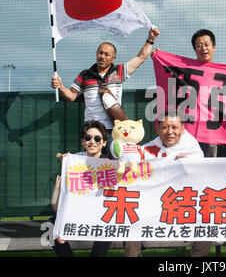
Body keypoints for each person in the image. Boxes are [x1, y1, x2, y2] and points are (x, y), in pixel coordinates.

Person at [51, 28, 160, 158]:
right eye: (100, 53)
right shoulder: (85, 75)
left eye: (106, 54)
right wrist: (61, 86)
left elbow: (141, 58)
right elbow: (71, 96)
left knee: (115, 163)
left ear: (113, 58)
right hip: (92, 131)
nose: (102, 57)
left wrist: (151, 39)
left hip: (114, 131)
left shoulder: (119, 72)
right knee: (92, 165)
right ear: (96, 54)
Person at [124, 111, 214, 257]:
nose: (170, 132)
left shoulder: (193, 149)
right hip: (154, 206)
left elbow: (202, 174)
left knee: (207, 222)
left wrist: (191, 163)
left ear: (182, 129)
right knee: (133, 221)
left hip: (184, 205)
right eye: (165, 127)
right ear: (158, 129)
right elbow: (132, 163)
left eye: (174, 127)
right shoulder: (148, 149)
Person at [51, 119, 112, 257]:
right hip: (76, 214)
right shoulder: (74, 160)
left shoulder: (110, 165)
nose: (92, 141)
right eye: (88, 138)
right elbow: (59, 200)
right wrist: (64, 166)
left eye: (97, 138)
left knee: (109, 228)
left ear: (104, 143)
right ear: (82, 141)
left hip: (99, 215)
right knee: (49, 226)